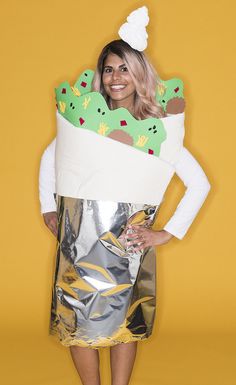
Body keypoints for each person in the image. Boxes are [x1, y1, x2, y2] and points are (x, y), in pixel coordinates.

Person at [39, 8, 211, 385]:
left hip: (127, 240)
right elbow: (52, 155)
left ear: (139, 75)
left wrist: (165, 233)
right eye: (109, 69)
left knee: (126, 319)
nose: (116, 77)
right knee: (76, 318)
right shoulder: (86, 120)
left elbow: (199, 184)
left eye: (124, 69)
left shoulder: (158, 129)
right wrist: (48, 207)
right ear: (101, 76)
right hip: (80, 237)